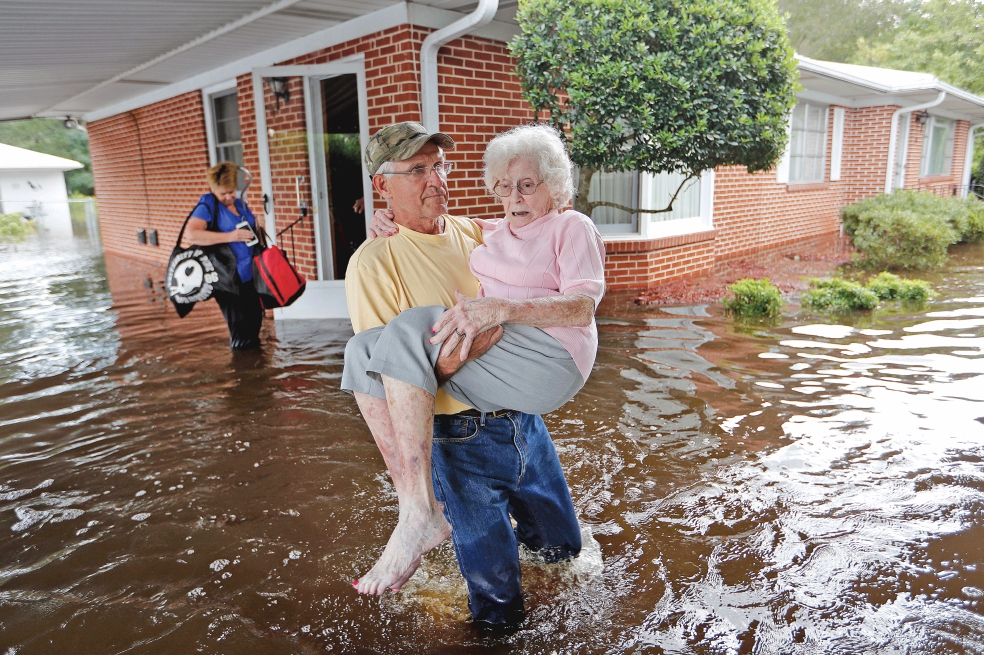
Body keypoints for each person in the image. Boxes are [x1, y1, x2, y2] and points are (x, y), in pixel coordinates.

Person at [342, 123, 606, 611]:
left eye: (439, 166)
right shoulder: (373, 263)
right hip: (458, 438)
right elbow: (390, 376)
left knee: (563, 553)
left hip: (522, 420)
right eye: (417, 169)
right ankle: (418, 510)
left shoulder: (472, 230)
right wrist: (471, 345)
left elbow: (536, 237)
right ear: (382, 185)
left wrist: (497, 324)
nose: (436, 179)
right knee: (495, 593)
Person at [185, 161, 264, 350]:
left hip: (249, 275)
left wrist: (258, 229)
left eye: (231, 191)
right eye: (223, 193)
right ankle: (242, 371)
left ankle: (255, 370)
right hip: (228, 279)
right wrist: (230, 236)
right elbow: (192, 234)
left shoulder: (239, 204)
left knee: (254, 322)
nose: (228, 197)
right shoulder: (207, 206)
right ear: (213, 190)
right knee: (240, 330)